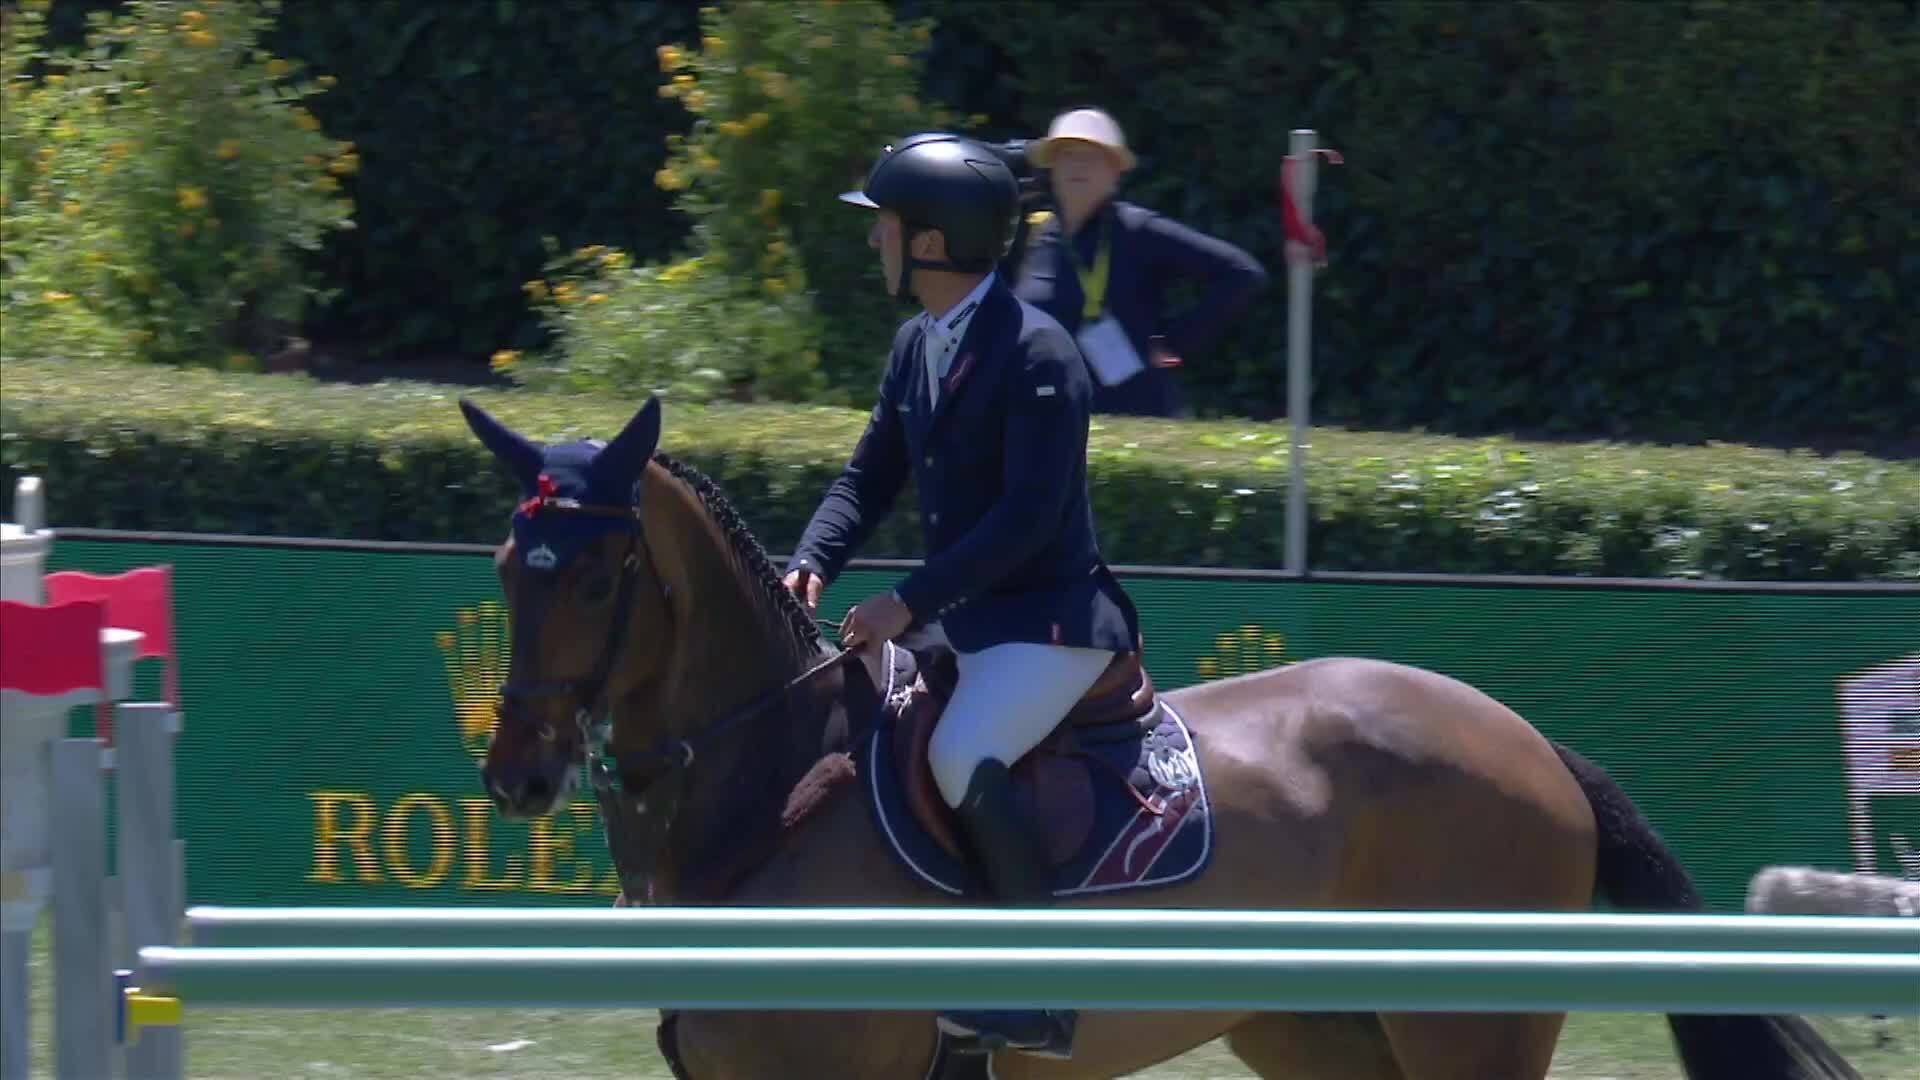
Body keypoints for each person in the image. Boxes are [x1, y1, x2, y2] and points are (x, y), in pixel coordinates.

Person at [781, 131, 1141, 1060]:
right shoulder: (917, 345)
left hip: (1050, 625)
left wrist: (907, 599)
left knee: (961, 750)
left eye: (886, 227)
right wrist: (812, 559)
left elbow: (1027, 518)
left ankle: (1040, 991)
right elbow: (869, 477)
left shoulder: (1040, 352)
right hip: (973, 618)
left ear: (931, 243)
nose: (875, 242)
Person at [1010, 106, 1269, 418]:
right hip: (1049, 416)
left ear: (1114, 171)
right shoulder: (1037, 231)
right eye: (1066, 154)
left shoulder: (1138, 230)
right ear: (1051, 168)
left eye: (1091, 156)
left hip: (1130, 419)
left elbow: (1242, 273)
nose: (1077, 165)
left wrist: (1175, 343)